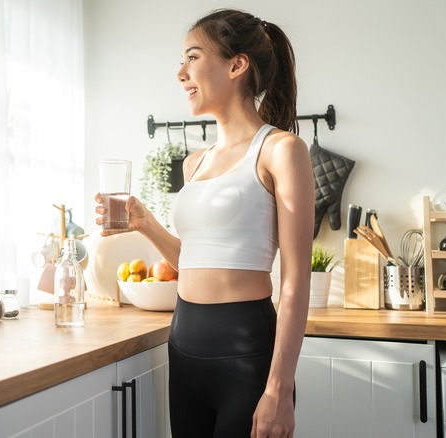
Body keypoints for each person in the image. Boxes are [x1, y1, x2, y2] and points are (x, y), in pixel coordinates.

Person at [95, 9, 314, 438]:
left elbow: (295, 281)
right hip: (184, 346)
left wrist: (279, 388)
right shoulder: (195, 162)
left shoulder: (281, 150)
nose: (181, 73)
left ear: (236, 65)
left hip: (246, 353)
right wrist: (145, 224)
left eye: (192, 57)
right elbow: (195, 263)